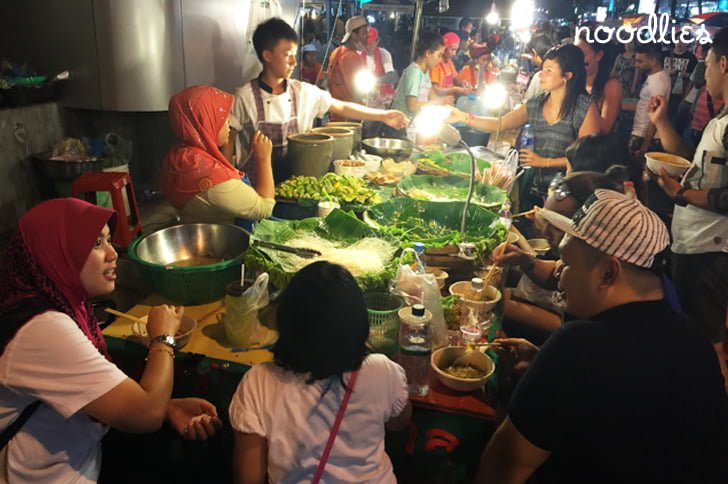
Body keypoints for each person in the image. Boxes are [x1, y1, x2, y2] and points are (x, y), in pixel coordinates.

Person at [476, 189, 728, 483]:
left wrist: (555, 366)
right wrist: (542, 370)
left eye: (566, 265)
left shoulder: (578, 347)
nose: (560, 280)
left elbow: (506, 465)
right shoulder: (694, 340)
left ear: (608, 273)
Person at [0, 199, 221, 482]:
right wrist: (162, 338)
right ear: (55, 253)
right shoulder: (41, 329)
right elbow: (146, 414)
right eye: (95, 244)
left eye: (108, 240)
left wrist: (167, 407)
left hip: (88, 459)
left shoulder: (65, 305)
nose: (112, 253)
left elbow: (97, 395)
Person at [230, 262, 411, 483]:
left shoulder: (258, 381)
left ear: (286, 321)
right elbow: (399, 422)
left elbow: (249, 478)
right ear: (358, 323)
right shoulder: (382, 370)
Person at [226, 18, 408, 183]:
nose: (294, 62)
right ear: (267, 55)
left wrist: (383, 115)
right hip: (255, 188)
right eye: (287, 55)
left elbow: (340, 105)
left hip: (297, 186)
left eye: (294, 55)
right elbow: (228, 141)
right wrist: (227, 180)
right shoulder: (244, 97)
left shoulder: (302, 92)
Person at [646, 27, 728, 389]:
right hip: (692, 242)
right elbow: (688, 161)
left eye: (707, 64)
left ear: (724, 64)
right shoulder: (720, 118)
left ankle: (711, 418)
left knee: (708, 342)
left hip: (710, 252)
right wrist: (661, 122)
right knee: (691, 334)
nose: (704, 72)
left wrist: (682, 195)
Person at [450, 44, 600, 211]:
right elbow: (501, 123)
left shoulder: (585, 108)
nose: (541, 75)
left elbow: (587, 159)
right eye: (542, 69)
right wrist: (464, 117)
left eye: (548, 71)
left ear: (567, 76)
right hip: (532, 189)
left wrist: (544, 162)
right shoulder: (536, 103)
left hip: (566, 199)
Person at [498, 170, 625, 345]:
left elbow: (564, 324)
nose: (545, 230)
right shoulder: (582, 255)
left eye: (557, 225)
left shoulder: (598, 268)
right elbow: (554, 272)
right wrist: (526, 262)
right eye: (546, 220)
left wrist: (502, 306)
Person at [159, 85, 276, 225]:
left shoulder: (179, 157)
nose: (229, 122)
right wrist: (264, 158)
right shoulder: (214, 181)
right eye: (223, 118)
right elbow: (264, 209)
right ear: (205, 123)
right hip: (226, 239)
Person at [392, 31, 454, 119]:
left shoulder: (425, 72)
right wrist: (439, 102)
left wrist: (445, 104)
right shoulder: (414, 72)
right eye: (439, 55)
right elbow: (412, 106)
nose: (440, 60)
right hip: (401, 123)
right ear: (428, 53)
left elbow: (431, 95)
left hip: (415, 121)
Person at [629, 42, 671, 173]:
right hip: (641, 133)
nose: (637, 65)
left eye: (640, 61)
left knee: (638, 175)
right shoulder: (654, 77)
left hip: (644, 136)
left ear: (653, 61)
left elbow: (655, 117)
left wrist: (644, 147)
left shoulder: (659, 81)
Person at [575, 31, 622, 133]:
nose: (576, 59)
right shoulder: (574, 80)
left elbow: (605, 127)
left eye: (581, 54)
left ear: (599, 55)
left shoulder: (611, 85)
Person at [327, 15, 368, 109]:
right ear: (353, 35)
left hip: (337, 110)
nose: (367, 37)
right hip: (350, 113)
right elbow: (356, 92)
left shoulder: (336, 51)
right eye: (364, 33)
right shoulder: (352, 57)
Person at [360, 26, 397, 110]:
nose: (368, 47)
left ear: (377, 41)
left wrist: (375, 81)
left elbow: (391, 75)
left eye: (370, 43)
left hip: (382, 97)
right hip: (364, 96)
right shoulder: (358, 55)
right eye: (365, 44)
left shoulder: (384, 54)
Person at [430, 32, 472, 98]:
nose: (454, 53)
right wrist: (455, 89)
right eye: (452, 50)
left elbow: (455, 78)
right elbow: (435, 90)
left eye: (456, 50)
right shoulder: (435, 64)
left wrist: (463, 83)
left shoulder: (449, 62)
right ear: (444, 48)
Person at [524, 32, 557, 102]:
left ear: (534, 53)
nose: (532, 59)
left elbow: (527, 102)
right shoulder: (556, 71)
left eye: (531, 55)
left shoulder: (539, 77)